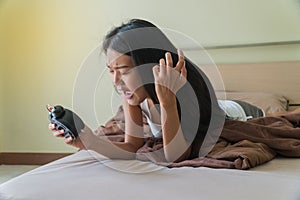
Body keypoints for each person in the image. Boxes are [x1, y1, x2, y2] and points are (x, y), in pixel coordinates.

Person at [49, 19, 225, 163]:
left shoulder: (185, 86)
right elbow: (132, 146)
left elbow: (176, 156)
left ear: (149, 64)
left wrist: (167, 100)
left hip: (234, 110)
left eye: (125, 70)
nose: (116, 81)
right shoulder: (131, 93)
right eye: (111, 70)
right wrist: (87, 140)